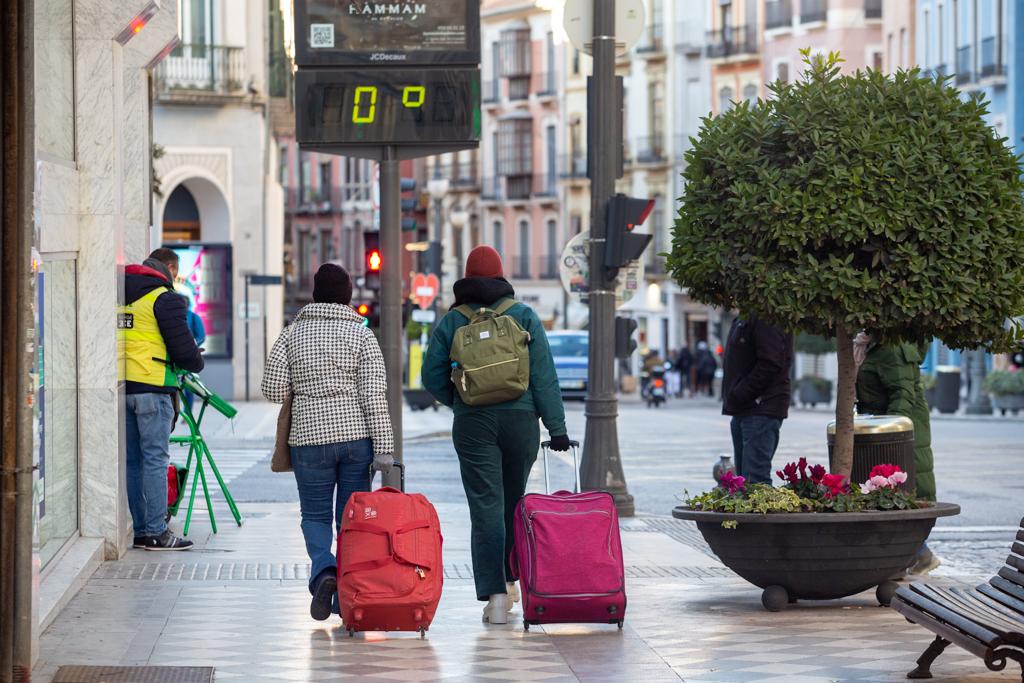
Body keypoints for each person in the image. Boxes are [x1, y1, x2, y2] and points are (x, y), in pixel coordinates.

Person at [421, 245, 572, 625]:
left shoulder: (452, 320)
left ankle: (496, 598)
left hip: (474, 424)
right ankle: (511, 579)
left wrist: (460, 400)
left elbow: (431, 375)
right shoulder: (523, 315)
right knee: (513, 504)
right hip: (521, 421)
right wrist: (556, 428)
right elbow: (544, 376)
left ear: (467, 277)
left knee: (485, 507)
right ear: (501, 275)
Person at [262, 263, 395, 621]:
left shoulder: (291, 334)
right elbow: (374, 395)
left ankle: (324, 571)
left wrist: (303, 385)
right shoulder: (362, 335)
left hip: (308, 439)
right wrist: (384, 448)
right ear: (348, 296)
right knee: (351, 519)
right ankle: (345, 597)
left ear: (315, 294)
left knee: (315, 515)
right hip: (356, 439)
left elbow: (272, 389)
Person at [121, 254, 204, 550]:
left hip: (123, 387)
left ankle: (142, 530)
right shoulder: (164, 298)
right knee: (155, 459)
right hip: (154, 386)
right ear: (168, 269)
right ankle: (158, 531)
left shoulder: (120, 293)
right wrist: (196, 361)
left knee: (133, 462)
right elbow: (184, 351)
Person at [854, 334, 939, 575]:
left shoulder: (892, 347)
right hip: (884, 431)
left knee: (897, 492)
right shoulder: (870, 344)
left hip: (895, 434)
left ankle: (911, 556)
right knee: (889, 493)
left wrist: (889, 435)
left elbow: (902, 396)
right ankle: (912, 556)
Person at [721, 316, 793, 484]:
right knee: (744, 482)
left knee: (755, 480)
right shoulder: (747, 315)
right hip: (746, 407)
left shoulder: (765, 315)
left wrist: (741, 393)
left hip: (759, 407)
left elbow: (770, 363)